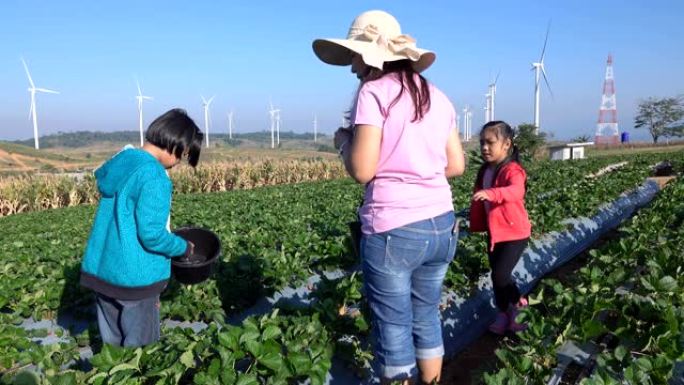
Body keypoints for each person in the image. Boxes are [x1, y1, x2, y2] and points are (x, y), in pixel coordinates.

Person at [313, 10, 465, 384]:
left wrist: (343, 143)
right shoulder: (438, 95)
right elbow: (456, 165)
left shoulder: (374, 91)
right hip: (443, 226)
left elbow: (363, 170)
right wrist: (418, 173)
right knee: (426, 316)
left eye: (353, 56)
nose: (351, 67)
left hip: (395, 229)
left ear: (369, 54)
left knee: (394, 329)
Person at [80, 108, 203, 347]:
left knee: (113, 351)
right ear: (174, 143)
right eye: (183, 154)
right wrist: (184, 247)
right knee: (141, 355)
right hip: (135, 279)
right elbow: (152, 236)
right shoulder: (154, 176)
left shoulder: (123, 161)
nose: (178, 162)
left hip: (104, 274)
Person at [469, 121, 532, 335]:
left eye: (490, 142)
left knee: (501, 274)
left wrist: (493, 194)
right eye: (482, 143)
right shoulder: (485, 171)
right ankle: (504, 313)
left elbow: (516, 191)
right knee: (496, 277)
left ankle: (519, 308)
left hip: (515, 233)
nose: (484, 147)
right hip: (495, 232)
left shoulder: (512, 170)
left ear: (507, 144)